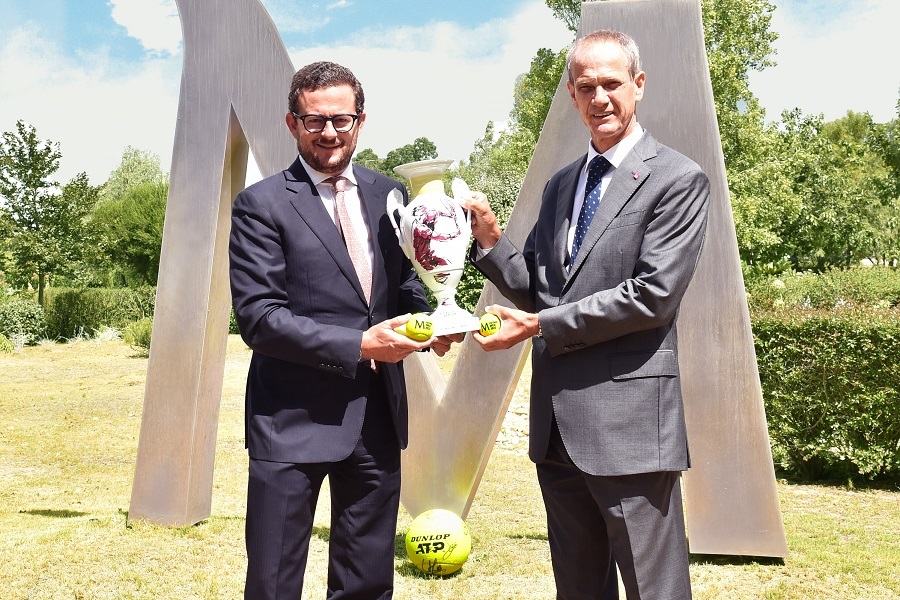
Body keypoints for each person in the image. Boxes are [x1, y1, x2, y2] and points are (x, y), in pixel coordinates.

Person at [463, 30, 710, 600]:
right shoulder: (561, 185)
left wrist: (542, 326)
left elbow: (653, 294)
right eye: (585, 87)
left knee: (655, 590)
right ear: (572, 97)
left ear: (638, 86)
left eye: (611, 84)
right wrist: (492, 242)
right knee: (578, 589)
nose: (599, 97)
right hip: (557, 432)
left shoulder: (676, 179)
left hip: (630, 429)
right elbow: (540, 290)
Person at [229, 61, 459, 599]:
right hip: (290, 421)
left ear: (360, 121)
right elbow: (259, 318)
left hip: (376, 418)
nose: (329, 133)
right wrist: (360, 345)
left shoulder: (390, 198)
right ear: (292, 124)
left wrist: (431, 324)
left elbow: (407, 289)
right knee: (272, 583)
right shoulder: (260, 205)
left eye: (341, 119)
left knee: (366, 582)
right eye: (314, 121)